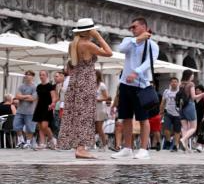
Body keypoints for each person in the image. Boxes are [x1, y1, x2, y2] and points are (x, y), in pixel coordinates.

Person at [56, 20, 114, 159]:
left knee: (75, 114)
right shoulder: (88, 45)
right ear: (89, 31)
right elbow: (109, 52)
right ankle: (81, 148)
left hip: (75, 80)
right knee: (85, 115)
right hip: (86, 81)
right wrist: (98, 37)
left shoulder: (73, 44)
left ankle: (78, 146)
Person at [112, 17, 159, 160]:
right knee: (126, 117)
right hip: (125, 84)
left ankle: (143, 149)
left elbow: (149, 62)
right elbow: (121, 49)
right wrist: (137, 39)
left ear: (144, 27)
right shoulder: (129, 41)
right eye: (131, 27)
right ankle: (127, 147)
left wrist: (136, 72)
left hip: (141, 85)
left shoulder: (152, 45)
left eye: (135, 27)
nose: (132, 29)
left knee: (143, 118)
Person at [177, 70, 204, 151]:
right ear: (189, 75)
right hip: (189, 106)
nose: (193, 76)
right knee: (193, 128)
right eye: (192, 74)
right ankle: (183, 139)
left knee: (184, 128)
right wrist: (203, 94)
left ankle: (185, 147)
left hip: (181, 107)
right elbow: (193, 97)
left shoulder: (181, 84)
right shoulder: (191, 84)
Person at [32, 69, 57, 150]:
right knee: (40, 127)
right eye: (40, 75)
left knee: (44, 126)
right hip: (39, 107)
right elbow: (38, 98)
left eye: (43, 75)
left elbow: (54, 97)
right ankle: (42, 143)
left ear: (47, 76)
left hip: (48, 107)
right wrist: (35, 108)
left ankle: (52, 138)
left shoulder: (50, 86)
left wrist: (52, 103)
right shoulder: (38, 86)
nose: (41, 76)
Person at [13, 70, 38, 149]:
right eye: (26, 74)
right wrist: (27, 96)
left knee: (30, 128)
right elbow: (17, 96)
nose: (27, 76)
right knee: (16, 126)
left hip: (30, 111)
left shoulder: (35, 87)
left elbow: (32, 98)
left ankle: (28, 142)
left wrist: (22, 97)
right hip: (20, 110)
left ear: (33, 76)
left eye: (29, 75)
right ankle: (21, 140)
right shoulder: (21, 86)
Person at [160, 76, 183, 152]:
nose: (174, 83)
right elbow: (163, 102)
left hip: (178, 114)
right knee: (166, 129)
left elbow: (183, 103)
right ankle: (168, 141)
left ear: (178, 83)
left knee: (177, 130)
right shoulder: (166, 92)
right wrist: (161, 112)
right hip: (168, 112)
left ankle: (175, 145)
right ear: (170, 83)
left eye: (175, 82)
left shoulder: (180, 92)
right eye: (172, 82)